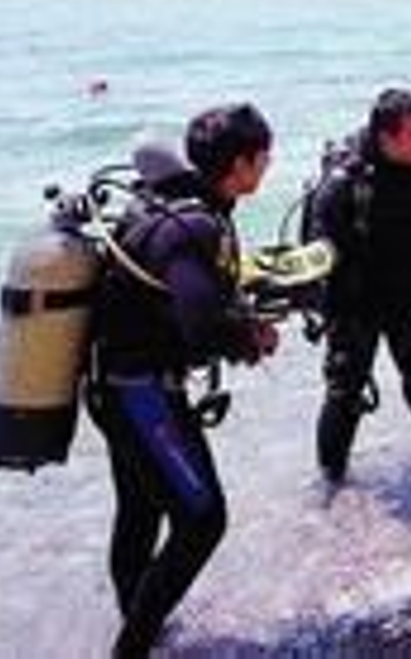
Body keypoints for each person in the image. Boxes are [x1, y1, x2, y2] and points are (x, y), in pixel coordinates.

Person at [88, 102, 280, 658]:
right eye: (263, 156)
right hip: (141, 392)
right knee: (202, 521)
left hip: (108, 386)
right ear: (242, 164)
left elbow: (180, 299)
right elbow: (199, 324)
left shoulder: (172, 204)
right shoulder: (193, 225)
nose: (268, 165)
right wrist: (252, 338)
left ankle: (141, 624)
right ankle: (133, 648)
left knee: (141, 510)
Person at [308, 88, 411, 482]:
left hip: (407, 291)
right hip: (355, 301)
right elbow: (315, 257)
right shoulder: (343, 184)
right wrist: (328, 312)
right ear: (386, 139)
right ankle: (329, 487)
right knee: (345, 392)